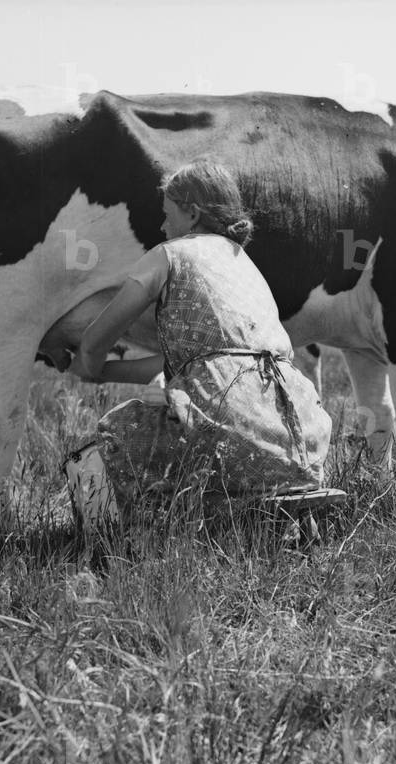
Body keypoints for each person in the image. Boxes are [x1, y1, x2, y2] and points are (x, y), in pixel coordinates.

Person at [57, 160, 332, 524]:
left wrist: (87, 363)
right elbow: (208, 366)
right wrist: (103, 374)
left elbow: (94, 343)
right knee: (190, 426)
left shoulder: (169, 254)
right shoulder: (246, 265)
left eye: (167, 214)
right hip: (302, 445)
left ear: (191, 214)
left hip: (228, 438)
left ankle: (113, 549)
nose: (162, 225)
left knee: (112, 439)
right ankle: (255, 516)